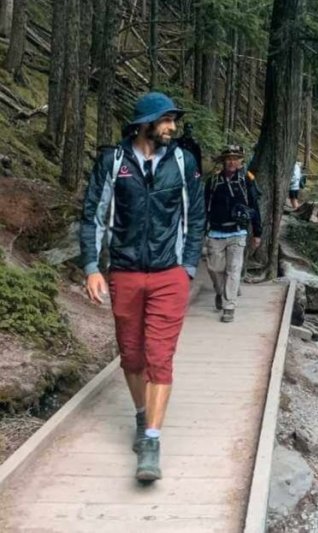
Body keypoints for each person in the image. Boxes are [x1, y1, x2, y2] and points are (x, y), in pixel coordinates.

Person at [80, 91, 205, 483]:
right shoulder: (113, 162)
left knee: (158, 355)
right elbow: (92, 216)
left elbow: (195, 216)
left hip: (169, 274)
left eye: (173, 120)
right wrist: (91, 267)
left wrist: (186, 267)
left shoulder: (183, 162)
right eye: (165, 120)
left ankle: (151, 440)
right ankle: (140, 415)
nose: (172, 127)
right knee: (131, 355)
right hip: (125, 272)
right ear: (144, 124)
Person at [205, 144, 262, 322]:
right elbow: (203, 206)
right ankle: (220, 292)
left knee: (233, 269)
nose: (232, 162)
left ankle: (229, 306)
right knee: (214, 268)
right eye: (229, 158)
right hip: (215, 231)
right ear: (223, 161)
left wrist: (257, 233)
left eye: (235, 158)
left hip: (238, 232)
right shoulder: (213, 181)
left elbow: (254, 206)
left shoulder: (247, 180)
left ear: (240, 161)